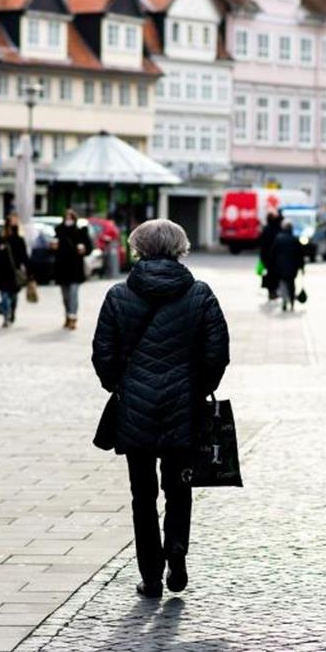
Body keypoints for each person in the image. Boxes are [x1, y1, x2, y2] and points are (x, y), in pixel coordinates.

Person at [91, 219, 230, 599]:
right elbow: (217, 353)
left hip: (134, 409)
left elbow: (102, 354)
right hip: (183, 409)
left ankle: (151, 575)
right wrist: (199, 388)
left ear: (138, 249)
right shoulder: (200, 294)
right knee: (179, 486)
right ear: (180, 249)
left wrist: (121, 386)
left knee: (142, 495)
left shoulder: (119, 296)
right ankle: (177, 552)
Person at [51, 208, 94, 330]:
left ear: (74, 219)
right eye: (66, 217)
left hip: (75, 268)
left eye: (70, 218)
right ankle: (67, 316)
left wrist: (84, 250)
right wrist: (53, 247)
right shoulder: (59, 231)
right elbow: (52, 250)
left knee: (73, 294)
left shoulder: (80, 232)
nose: (68, 220)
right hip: (62, 269)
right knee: (65, 296)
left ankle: (73, 317)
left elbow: (89, 248)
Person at [0, 214, 31, 327]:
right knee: (4, 295)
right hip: (2, 271)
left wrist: (29, 272)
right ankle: (6, 316)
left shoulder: (19, 240)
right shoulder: (1, 238)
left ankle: (11, 312)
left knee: (13, 296)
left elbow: (24, 257)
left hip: (14, 272)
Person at [270, 220, 305, 312]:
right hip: (292, 267)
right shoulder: (294, 239)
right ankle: (292, 301)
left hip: (280, 267)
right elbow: (300, 255)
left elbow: (273, 253)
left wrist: (272, 265)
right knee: (291, 284)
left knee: (282, 283)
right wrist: (302, 267)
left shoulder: (278, 238)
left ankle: (284, 300)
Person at [258, 211, 282, 300]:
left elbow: (261, 245)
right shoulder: (276, 228)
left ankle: (271, 292)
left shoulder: (266, 229)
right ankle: (273, 291)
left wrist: (262, 257)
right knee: (274, 275)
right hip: (274, 257)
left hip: (268, 257)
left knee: (270, 274)